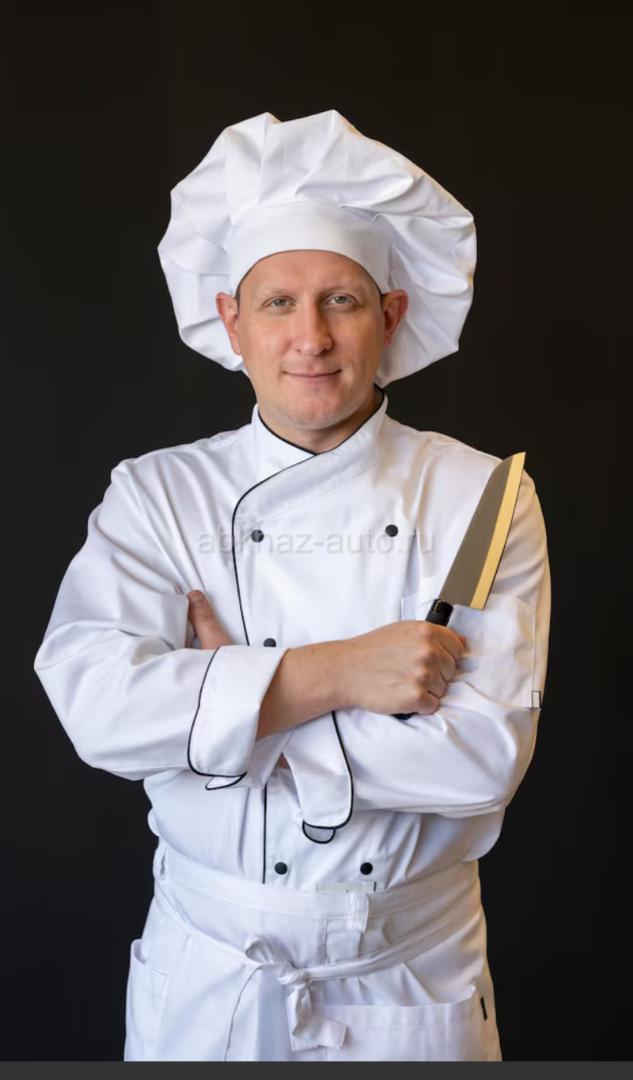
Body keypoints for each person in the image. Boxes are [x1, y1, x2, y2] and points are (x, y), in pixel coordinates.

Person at [33, 109, 551, 1062]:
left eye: (340, 300)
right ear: (231, 321)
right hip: (211, 974)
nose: (309, 338)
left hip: (406, 973)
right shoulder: (157, 494)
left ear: (389, 316)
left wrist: (229, 706)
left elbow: (480, 762)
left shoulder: (482, 496)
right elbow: (98, 711)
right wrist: (343, 672)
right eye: (277, 302)